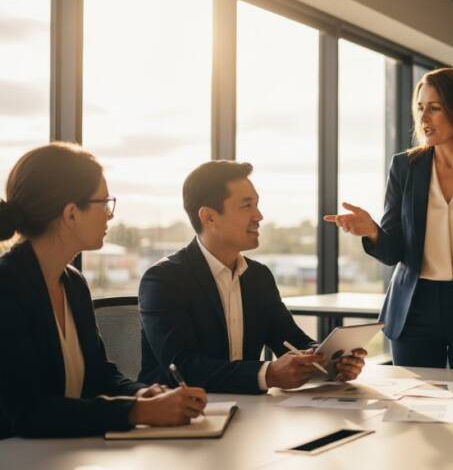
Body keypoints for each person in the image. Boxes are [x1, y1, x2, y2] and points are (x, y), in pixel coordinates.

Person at [324, 67, 453, 370]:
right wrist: (373, 232)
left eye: (434, 108)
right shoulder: (405, 167)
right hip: (414, 308)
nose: (423, 118)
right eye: (420, 108)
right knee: (414, 408)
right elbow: (394, 252)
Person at [0, 143, 207, 439]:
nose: (110, 216)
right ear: (72, 214)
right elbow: (29, 413)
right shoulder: (6, 287)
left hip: (64, 453)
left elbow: (99, 375)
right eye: (104, 203)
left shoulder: (72, 282)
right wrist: (138, 412)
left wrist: (143, 394)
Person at [138, 161, 367, 394]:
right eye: (246, 206)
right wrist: (268, 374)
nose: (259, 216)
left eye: (257, 205)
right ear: (208, 217)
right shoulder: (164, 280)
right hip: (181, 417)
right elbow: (183, 368)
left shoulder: (258, 276)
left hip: (249, 410)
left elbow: (291, 340)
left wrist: (330, 360)